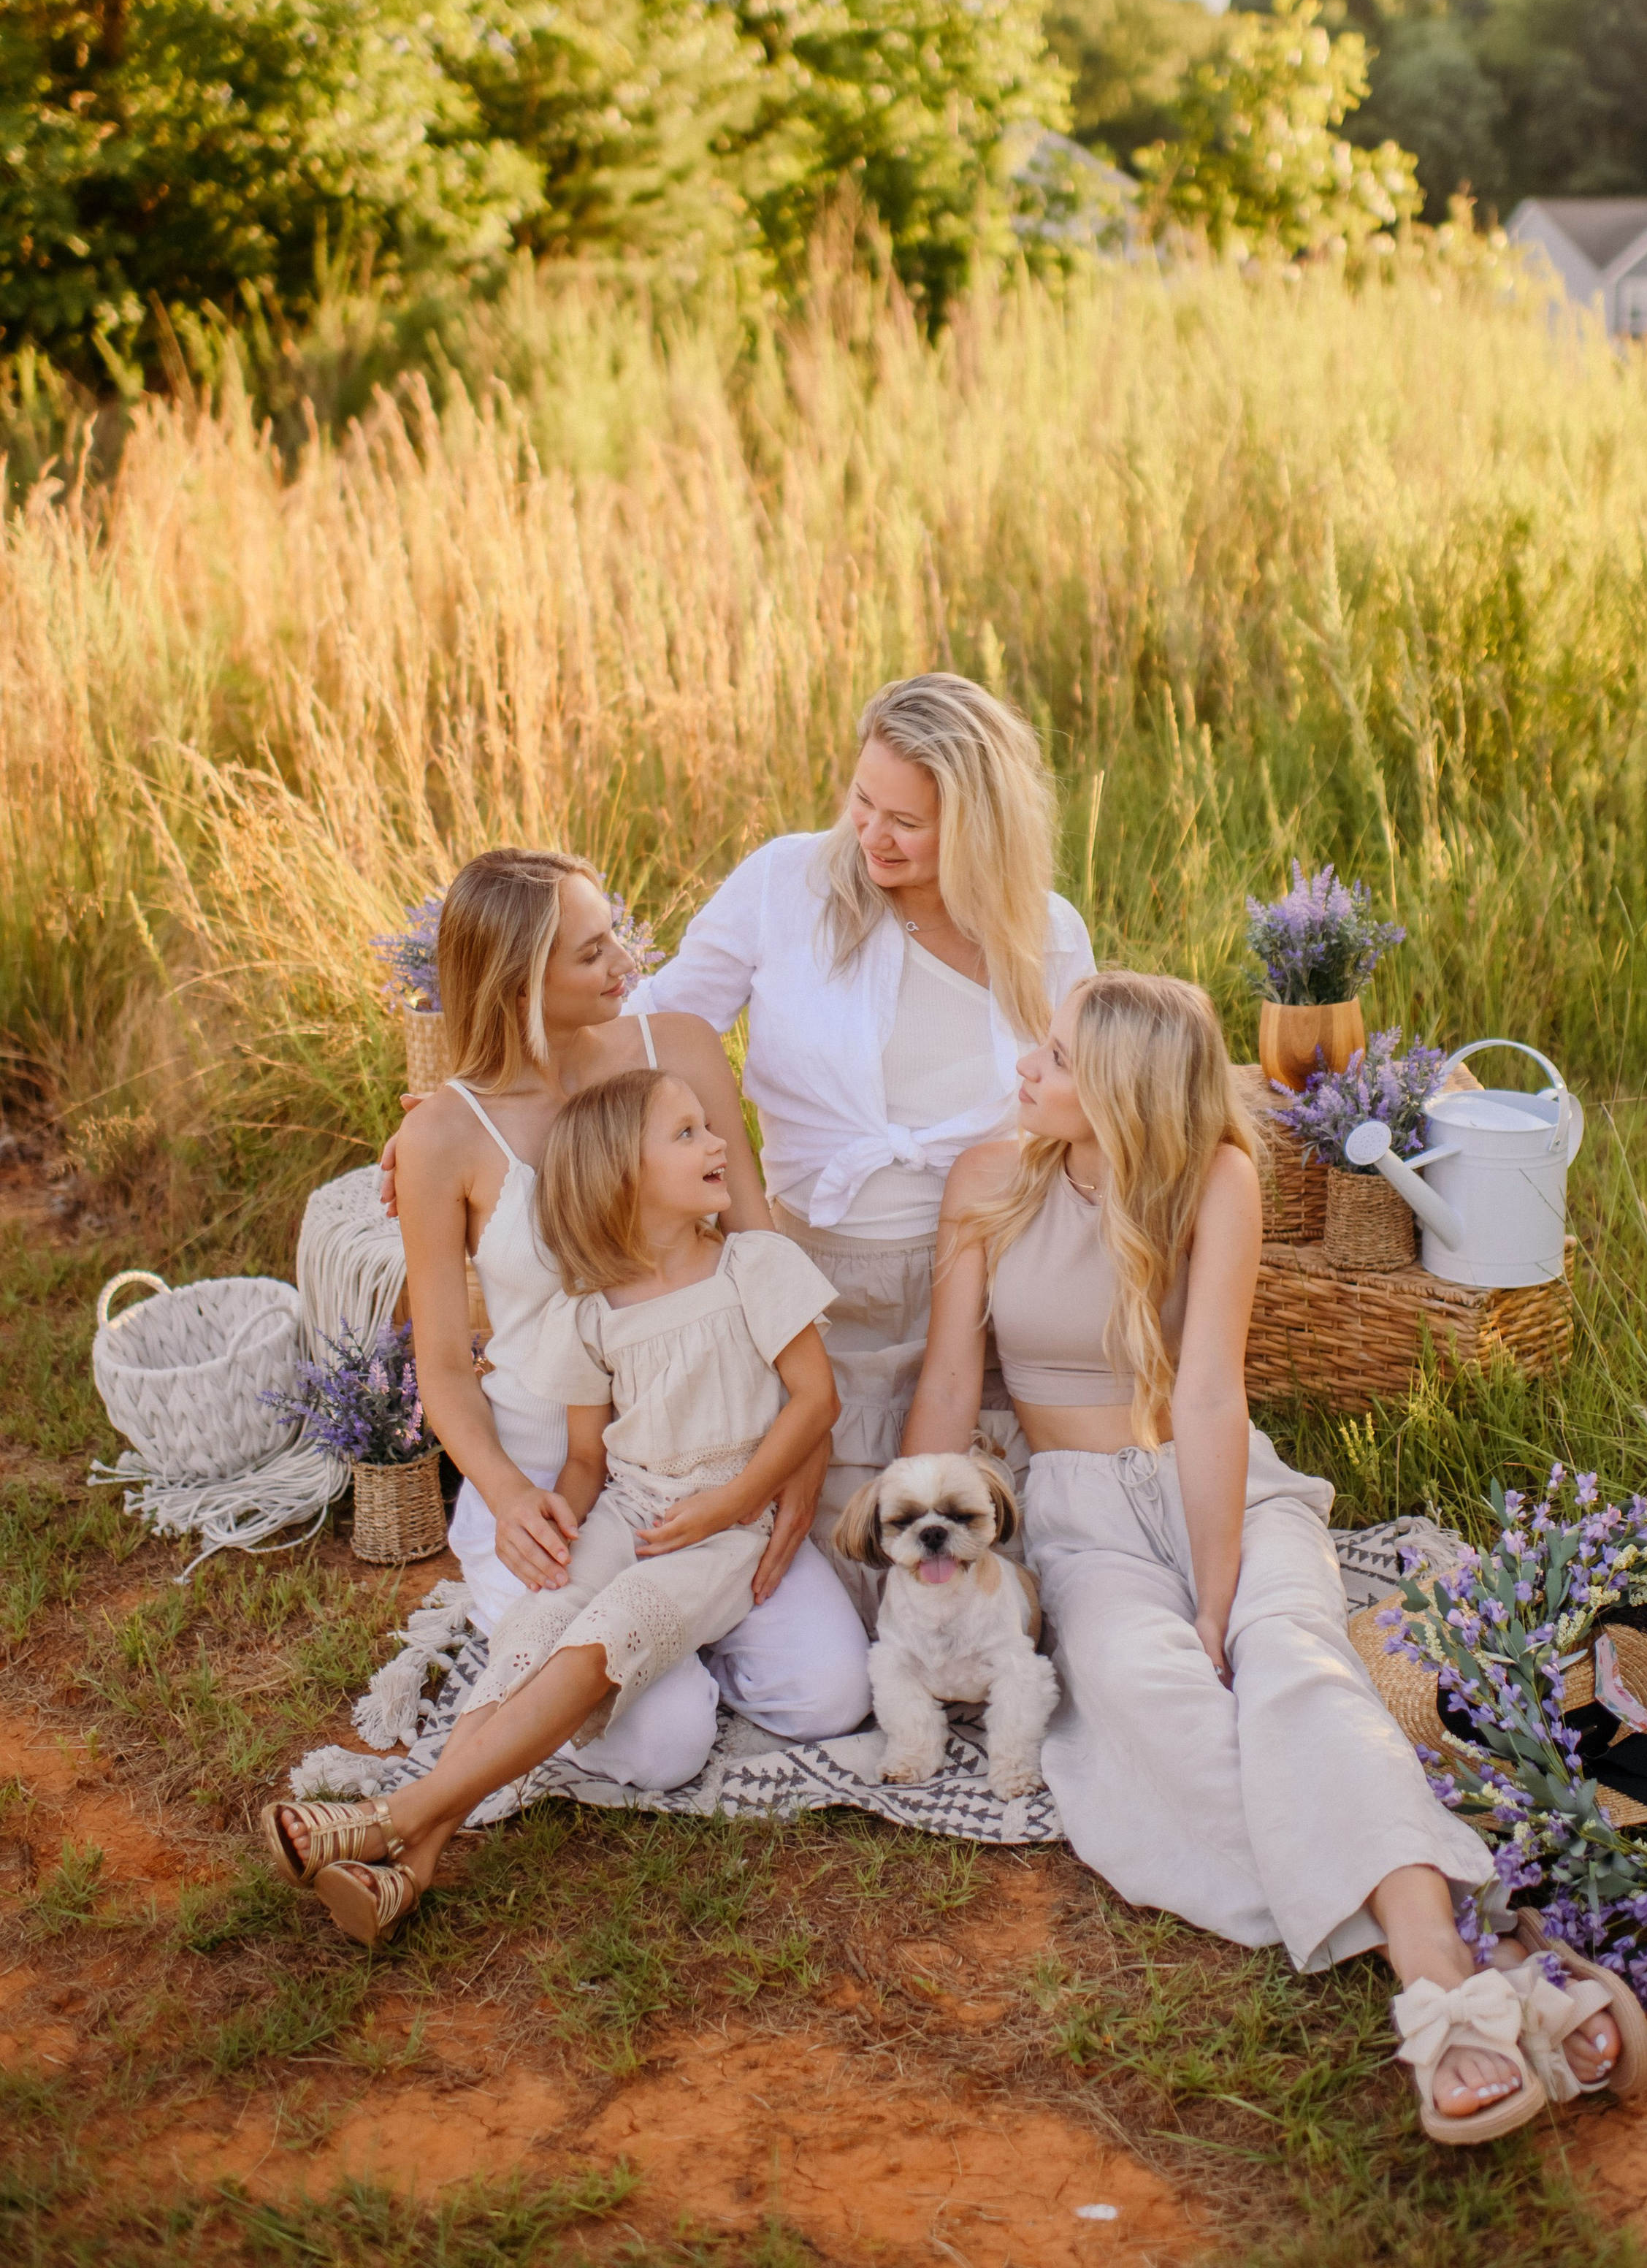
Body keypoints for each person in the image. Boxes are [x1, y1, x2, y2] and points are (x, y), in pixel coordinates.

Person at [901, 971, 1634, 2146]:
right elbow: (947, 1380)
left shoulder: (1217, 1183)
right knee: (1153, 1708)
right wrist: (912, 1571)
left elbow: (1207, 1395)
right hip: (1081, 1516)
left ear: (1123, 1094)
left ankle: (1438, 1983)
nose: (1026, 1070)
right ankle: (1474, 1938)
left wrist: (1220, 1589)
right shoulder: (988, 1180)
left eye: (1055, 1058)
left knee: (1292, 1665)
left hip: (1228, 1484)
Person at [265, 1069, 845, 1942]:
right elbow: (584, 1456)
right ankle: (413, 1866)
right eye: (686, 1134)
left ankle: (392, 1816)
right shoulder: (592, 1307)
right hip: (628, 1510)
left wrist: (734, 1502)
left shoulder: (755, 1266)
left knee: (594, 1649)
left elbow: (815, 1402)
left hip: (723, 1533)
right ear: (621, 1174)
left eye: (707, 1129)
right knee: (537, 1634)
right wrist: (559, 1528)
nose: (720, 1143)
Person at [391, 847, 869, 1788]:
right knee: (662, 1745)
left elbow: (757, 1253)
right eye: (592, 953)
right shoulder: (444, 1135)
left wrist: (793, 1468)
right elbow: (442, 1365)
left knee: (827, 1696)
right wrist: (504, 1493)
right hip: (556, 1475)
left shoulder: (677, 1049)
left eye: (616, 935)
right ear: (519, 980)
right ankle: (640, 1654)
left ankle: (668, 1631)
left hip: (711, 1451)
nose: (626, 965)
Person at [624, 672, 1094, 1603]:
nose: (871, 836)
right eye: (861, 800)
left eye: (907, 823)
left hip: (994, 1294)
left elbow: (1098, 1094)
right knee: (848, 1584)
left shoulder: (1043, 932)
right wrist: (465, 1105)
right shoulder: (783, 884)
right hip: (818, 1292)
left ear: (979, 826)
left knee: (1019, 1587)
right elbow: (651, 1030)